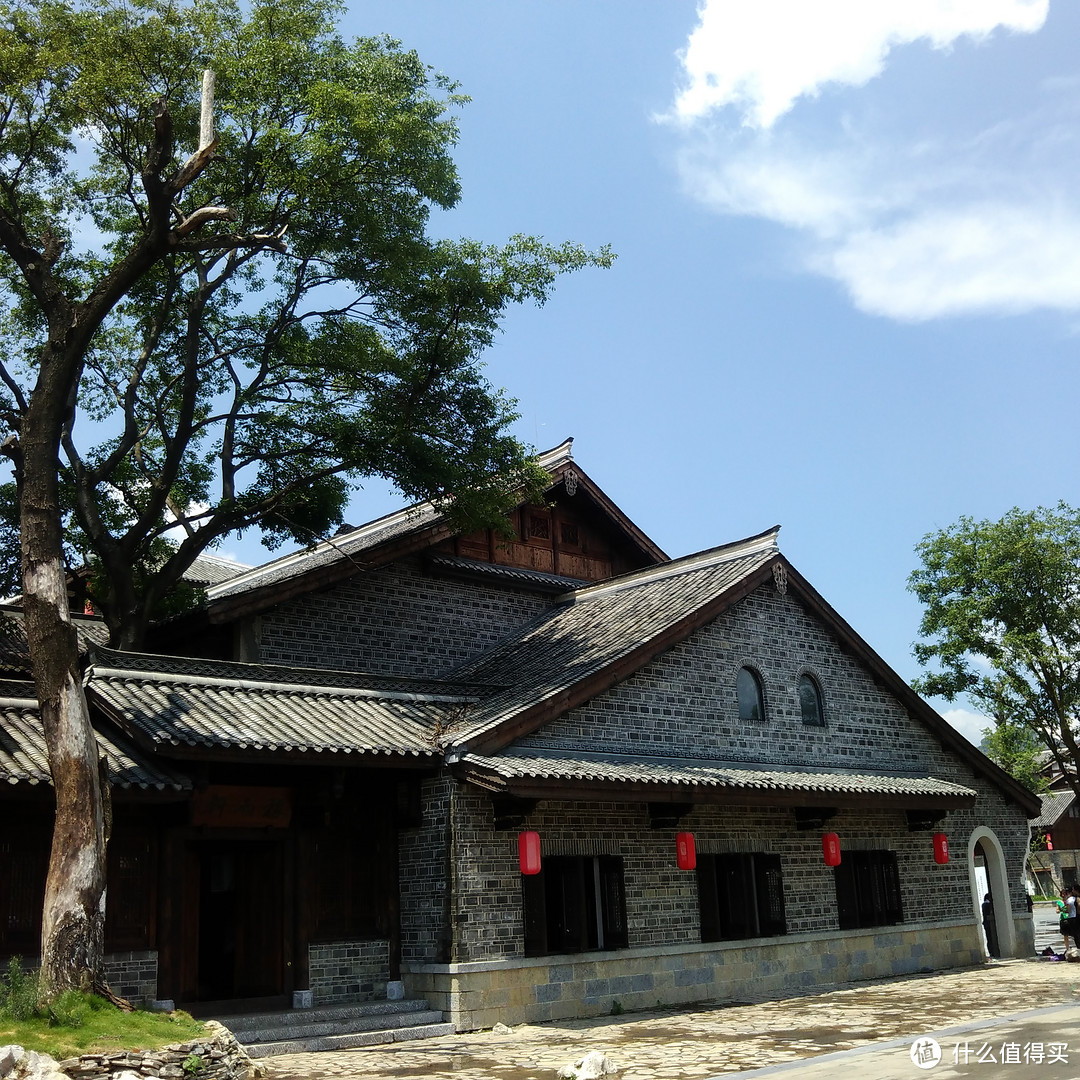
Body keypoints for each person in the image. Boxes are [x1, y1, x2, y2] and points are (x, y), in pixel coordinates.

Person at [982, 893, 1000, 958]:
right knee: (991, 938)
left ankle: (991, 952)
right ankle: (993, 952)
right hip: (989, 924)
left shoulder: (984, 904)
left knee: (989, 939)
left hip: (986, 924)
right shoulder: (987, 904)